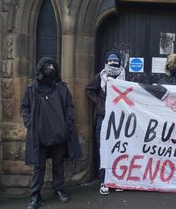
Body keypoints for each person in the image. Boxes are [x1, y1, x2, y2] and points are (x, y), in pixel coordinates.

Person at [21, 57, 83, 209]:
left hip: (58, 135)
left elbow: (69, 106)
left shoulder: (62, 88)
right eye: (46, 66)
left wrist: (67, 124)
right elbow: (25, 107)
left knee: (58, 165)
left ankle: (59, 189)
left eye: (52, 65)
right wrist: (29, 123)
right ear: (40, 69)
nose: (50, 68)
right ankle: (35, 195)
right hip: (39, 136)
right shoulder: (32, 88)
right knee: (38, 167)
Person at [85, 52, 126, 195]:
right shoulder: (100, 77)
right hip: (103, 118)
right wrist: (100, 105)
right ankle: (104, 181)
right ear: (107, 61)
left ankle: (117, 180)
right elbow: (89, 90)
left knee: (118, 149)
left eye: (115, 62)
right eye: (111, 61)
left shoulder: (124, 77)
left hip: (119, 119)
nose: (113, 64)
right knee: (104, 149)